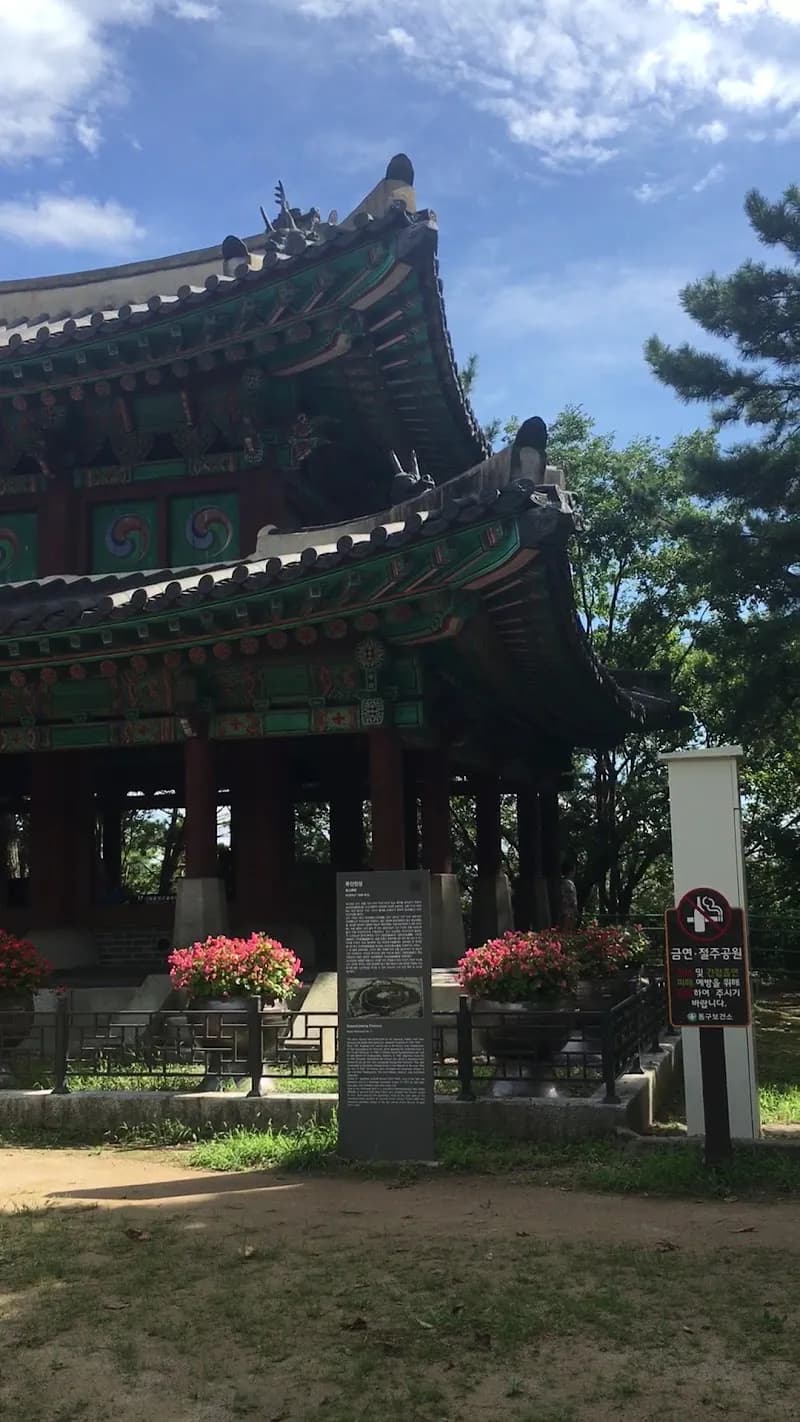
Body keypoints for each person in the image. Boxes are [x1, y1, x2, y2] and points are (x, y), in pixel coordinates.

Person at [560, 855, 578, 930]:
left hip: (563, 912)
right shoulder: (569, 884)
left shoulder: (562, 882)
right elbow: (571, 899)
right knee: (567, 932)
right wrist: (575, 910)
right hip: (569, 913)